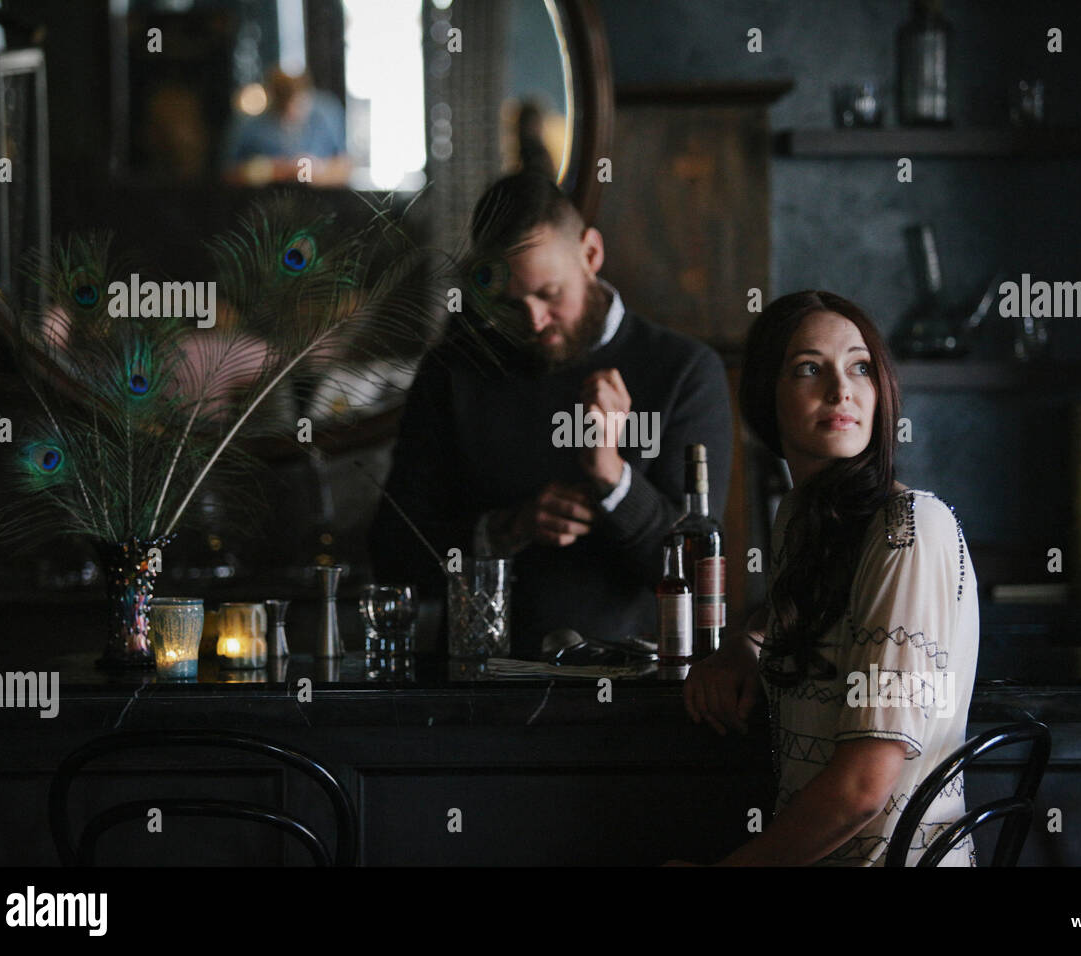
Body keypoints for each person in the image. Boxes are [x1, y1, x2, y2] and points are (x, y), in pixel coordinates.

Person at [368, 172, 733, 657]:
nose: (535, 321)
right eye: (512, 304)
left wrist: (613, 478)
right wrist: (506, 530)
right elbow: (392, 556)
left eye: (550, 294)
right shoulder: (454, 371)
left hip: (635, 689)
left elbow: (695, 575)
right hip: (480, 688)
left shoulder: (683, 371)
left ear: (591, 254)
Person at [680, 290, 979, 866]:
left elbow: (862, 790)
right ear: (767, 398)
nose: (841, 389)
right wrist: (745, 647)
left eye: (860, 367)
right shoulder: (801, 516)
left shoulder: (908, 527)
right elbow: (811, 623)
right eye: (809, 368)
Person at [222, 68, 351, 186]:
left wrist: (318, 170)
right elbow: (227, 172)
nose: (292, 110)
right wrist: (269, 170)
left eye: (299, 103)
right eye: (284, 105)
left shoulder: (326, 114)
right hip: (265, 199)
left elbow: (345, 166)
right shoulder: (250, 122)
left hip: (319, 199)